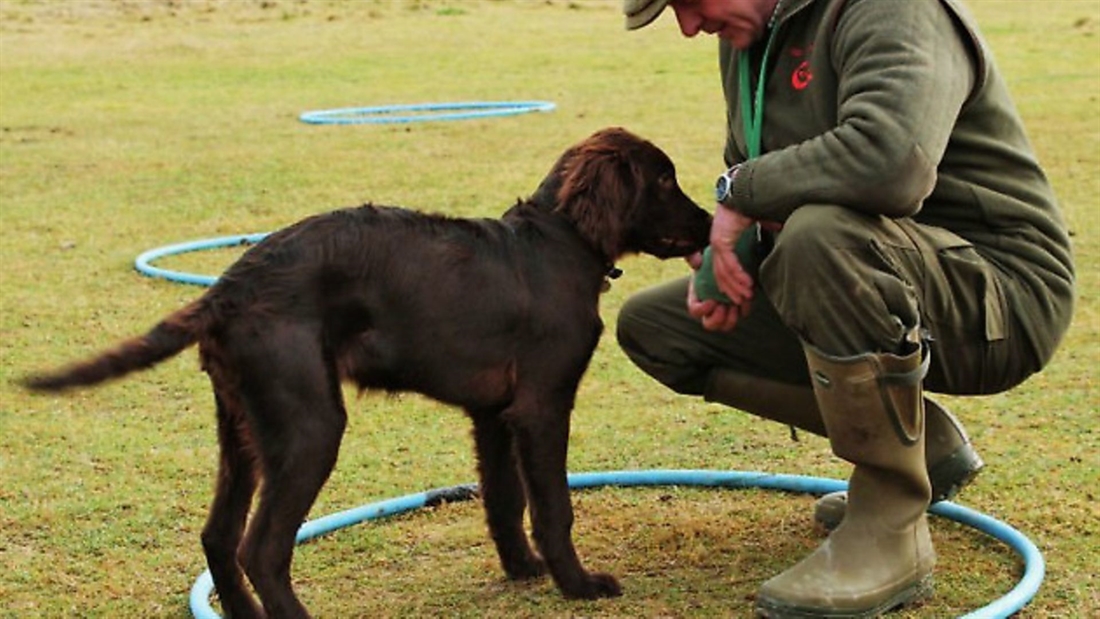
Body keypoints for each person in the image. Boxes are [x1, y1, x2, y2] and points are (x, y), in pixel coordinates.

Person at [617, 0, 1075, 616]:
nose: (689, 27)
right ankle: (924, 446)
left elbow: (890, 164)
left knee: (820, 236)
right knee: (658, 328)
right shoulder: (750, 36)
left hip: (1001, 296)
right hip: (872, 270)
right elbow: (776, 183)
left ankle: (891, 528)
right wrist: (733, 261)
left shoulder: (891, 8)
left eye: (688, 2)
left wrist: (738, 192)